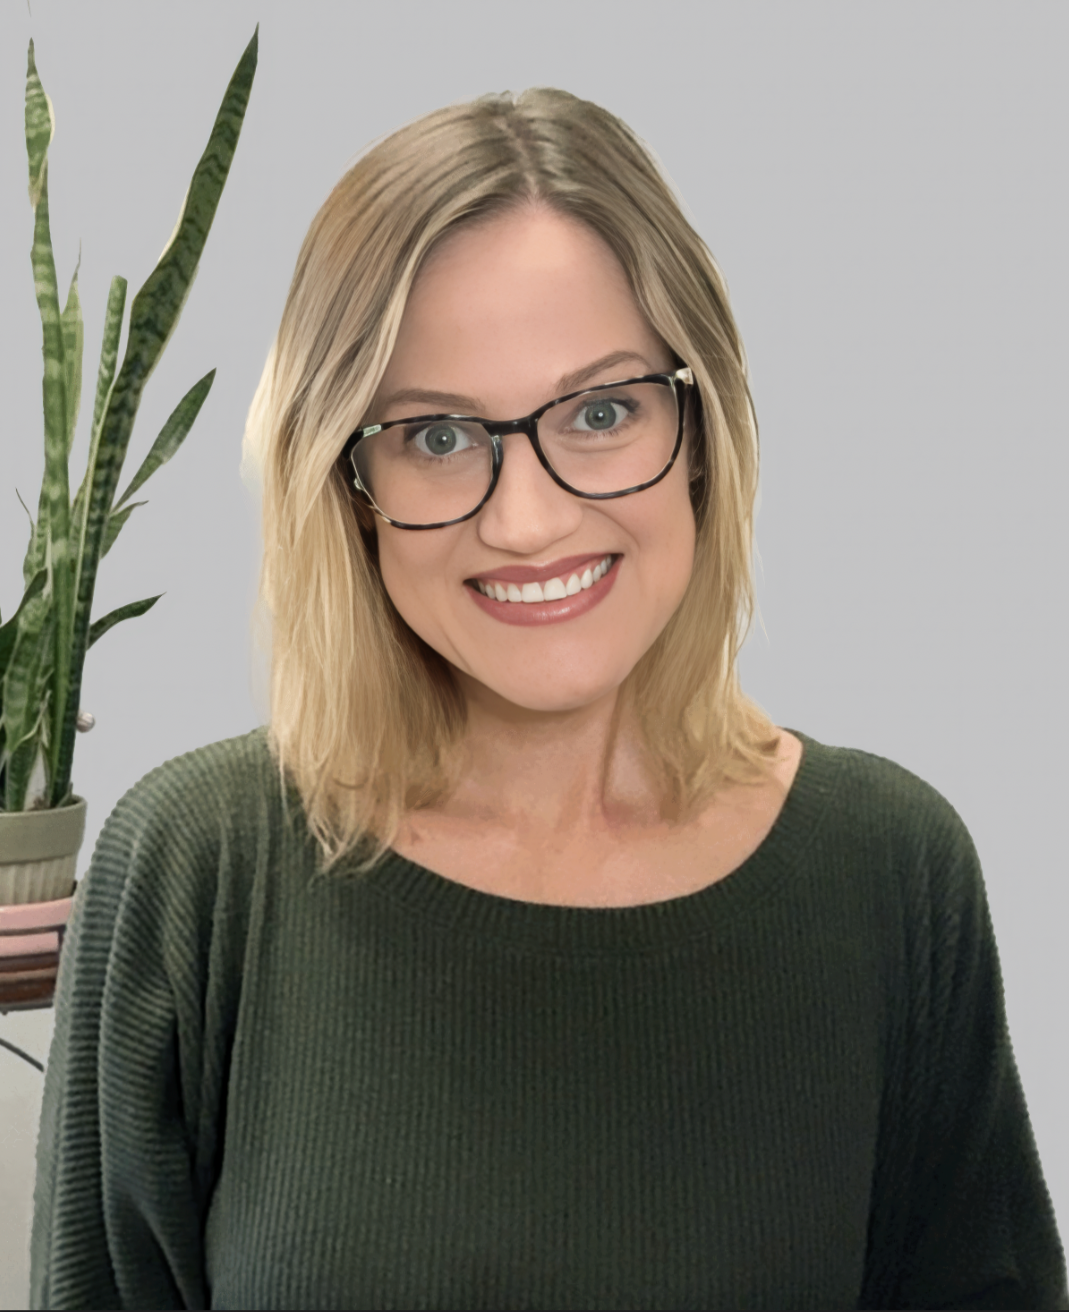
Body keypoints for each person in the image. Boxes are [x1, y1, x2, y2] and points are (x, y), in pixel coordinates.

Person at [30, 88, 1067, 1311]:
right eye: (433, 435)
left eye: (602, 410)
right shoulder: (197, 867)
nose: (526, 520)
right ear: (343, 479)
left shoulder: (892, 869)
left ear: (701, 428)